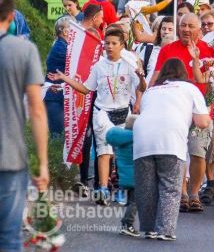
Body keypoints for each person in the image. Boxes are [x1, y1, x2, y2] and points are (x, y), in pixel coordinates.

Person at [48, 28, 147, 205]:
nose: (109, 47)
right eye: (107, 43)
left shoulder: (130, 64)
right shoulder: (99, 66)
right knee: (104, 152)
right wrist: (65, 78)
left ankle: (123, 190)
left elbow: (142, 88)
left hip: (124, 113)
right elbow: (86, 89)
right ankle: (102, 190)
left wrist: (141, 78)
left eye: (113, 43)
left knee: (123, 153)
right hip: (102, 113)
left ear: (121, 45)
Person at [133, 59, 210, 240]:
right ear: (183, 73)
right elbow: (203, 122)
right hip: (170, 138)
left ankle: (149, 228)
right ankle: (165, 230)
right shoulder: (189, 88)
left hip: (143, 136)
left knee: (146, 187)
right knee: (170, 186)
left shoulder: (151, 90)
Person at [149, 13, 214, 212]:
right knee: (178, 154)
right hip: (174, 112)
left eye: (190, 26)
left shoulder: (208, 50)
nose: (186, 29)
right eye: (183, 25)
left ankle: (194, 193)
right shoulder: (168, 50)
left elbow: (211, 82)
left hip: (199, 112)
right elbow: (157, 77)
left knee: (198, 153)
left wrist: (209, 106)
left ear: (199, 29)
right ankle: (183, 193)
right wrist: (146, 98)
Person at [0, 0, 49, 252]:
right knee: (8, 237)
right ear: (11, 15)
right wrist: (43, 163)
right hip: (9, 157)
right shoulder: (23, 50)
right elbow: (37, 110)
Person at [106, 115, 138, 237]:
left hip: (124, 177)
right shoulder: (136, 139)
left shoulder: (120, 139)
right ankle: (127, 224)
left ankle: (127, 223)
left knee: (131, 202)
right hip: (135, 177)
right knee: (135, 203)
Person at [44, 17, 71, 135]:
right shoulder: (61, 47)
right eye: (73, 29)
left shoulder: (62, 45)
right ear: (65, 32)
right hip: (55, 96)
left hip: (58, 94)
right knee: (57, 135)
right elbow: (75, 64)